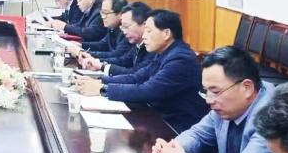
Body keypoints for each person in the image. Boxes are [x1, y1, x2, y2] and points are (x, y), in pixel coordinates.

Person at [151, 46, 285, 153]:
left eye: (215, 92)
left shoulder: (272, 116)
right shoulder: (226, 107)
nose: (208, 100)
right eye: (206, 91)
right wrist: (173, 147)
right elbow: (198, 134)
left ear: (247, 88)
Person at [74, 9, 207, 132]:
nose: (144, 36)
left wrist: (102, 89)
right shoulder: (164, 52)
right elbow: (137, 77)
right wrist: (99, 81)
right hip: (157, 118)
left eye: (148, 31)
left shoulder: (181, 59)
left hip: (175, 128)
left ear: (166, 33)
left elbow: (148, 90)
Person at [75, 2, 153, 75]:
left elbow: (136, 74)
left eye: (126, 26)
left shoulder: (152, 48)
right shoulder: (137, 43)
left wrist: (101, 68)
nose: (124, 31)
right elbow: (123, 60)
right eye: (122, 27)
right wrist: (96, 61)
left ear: (144, 25)